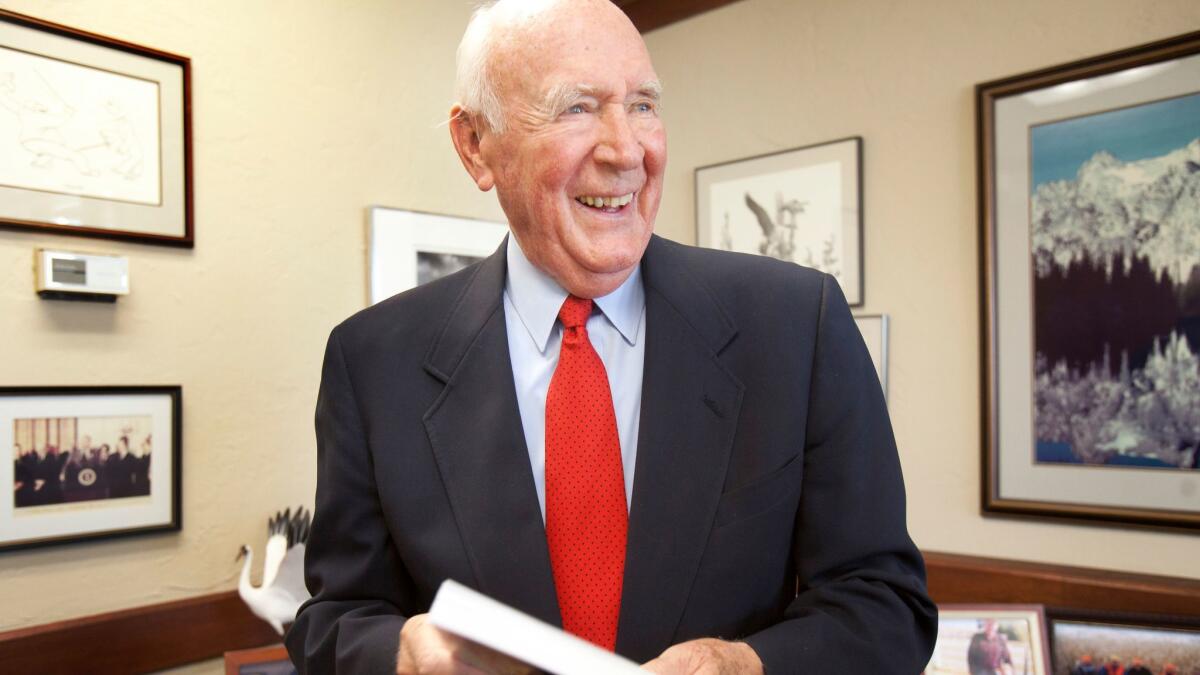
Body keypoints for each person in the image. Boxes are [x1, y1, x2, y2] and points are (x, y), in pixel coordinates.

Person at [286, 1, 936, 673]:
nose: (627, 149)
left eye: (644, 105)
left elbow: (884, 604)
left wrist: (745, 664)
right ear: (476, 145)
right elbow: (334, 617)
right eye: (577, 108)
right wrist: (397, 655)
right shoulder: (372, 362)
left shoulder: (798, 325)